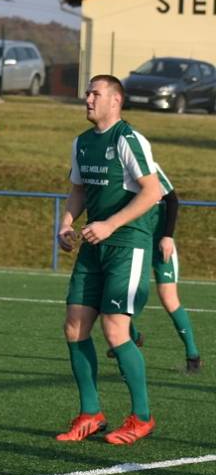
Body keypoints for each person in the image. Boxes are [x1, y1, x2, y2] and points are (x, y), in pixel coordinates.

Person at [56, 74, 162, 445]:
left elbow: (154, 191)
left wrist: (111, 223)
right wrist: (67, 223)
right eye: (86, 92)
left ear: (115, 100)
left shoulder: (128, 139)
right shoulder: (82, 143)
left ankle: (142, 417)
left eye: (95, 93)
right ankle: (91, 413)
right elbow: (78, 190)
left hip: (128, 244)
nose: (87, 98)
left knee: (115, 329)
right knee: (74, 326)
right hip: (94, 244)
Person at [108, 164, 200, 372]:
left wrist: (168, 236)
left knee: (168, 298)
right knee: (116, 290)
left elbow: (172, 199)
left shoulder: (146, 165)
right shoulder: (112, 171)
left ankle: (193, 355)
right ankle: (129, 336)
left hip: (159, 243)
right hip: (133, 241)